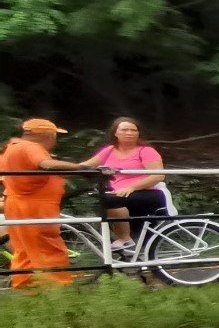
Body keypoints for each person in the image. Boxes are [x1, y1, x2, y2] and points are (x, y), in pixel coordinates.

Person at [2, 118, 98, 290]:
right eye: (55, 135)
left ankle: (28, 289)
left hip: (17, 205)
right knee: (49, 248)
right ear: (47, 135)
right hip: (36, 208)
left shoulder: (12, 147)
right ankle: (57, 291)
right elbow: (45, 164)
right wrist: (81, 169)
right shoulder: (31, 147)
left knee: (25, 251)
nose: (55, 139)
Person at [78, 117, 166, 251]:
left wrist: (131, 187)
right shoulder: (110, 150)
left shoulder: (146, 151)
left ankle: (125, 239)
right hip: (118, 192)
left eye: (133, 130)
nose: (129, 133)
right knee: (108, 198)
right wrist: (59, 169)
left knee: (112, 199)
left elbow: (158, 175)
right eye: (125, 130)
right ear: (115, 133)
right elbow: (85, 165)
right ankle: (123, 242)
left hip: (147, 193)